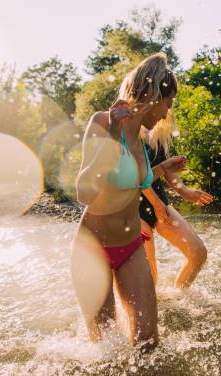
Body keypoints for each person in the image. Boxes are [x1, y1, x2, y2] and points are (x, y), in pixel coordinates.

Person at [72, 53, 184, 352]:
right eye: (167, 104)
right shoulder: (103, 121)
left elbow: (132, 184)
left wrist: (163, 168)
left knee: (148, 344)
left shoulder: (145, 139)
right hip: (92, 246)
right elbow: (84, 191)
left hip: (131, 245)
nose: (165, 114)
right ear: (154, 95)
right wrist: (111, 136)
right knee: (105, 348)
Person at [138, 121, 214, 288]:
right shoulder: (128, 130)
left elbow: (166, 169)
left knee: (197, 253)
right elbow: (138, 177)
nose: (167, 111)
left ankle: (178, 299)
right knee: (150, 278)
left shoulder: (158, 131)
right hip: (133, 209)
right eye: (167, 103)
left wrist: (185, 192)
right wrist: (157, 205)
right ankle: (154, 309)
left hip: (160, 203)